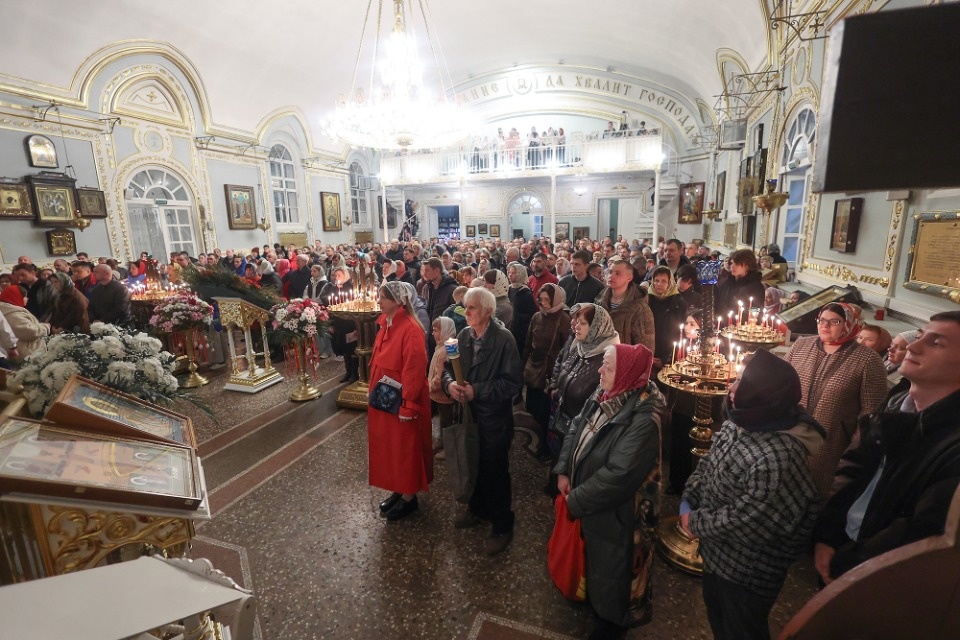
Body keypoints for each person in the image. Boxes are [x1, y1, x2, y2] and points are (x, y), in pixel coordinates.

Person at [680, 349, 823, 640]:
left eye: (742, 383)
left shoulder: (779, 455)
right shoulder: (741, 421)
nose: (731, 389)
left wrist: (694, 522)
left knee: (741, 630)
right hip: (717, 554)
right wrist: (688, 500)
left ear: (764, 393)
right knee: (719, 621)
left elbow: (749, 519)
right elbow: (708, 463)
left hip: (747, 571)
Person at [812, 311, 960, 584]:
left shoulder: (952, 445)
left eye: (937, 342)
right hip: (843, 545)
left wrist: (848, 564)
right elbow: (855, 467)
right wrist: (828, 534)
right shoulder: (897, 402)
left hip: (882, 576)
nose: (914, 347)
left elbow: (921, 529)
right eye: (920, 336)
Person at [553, 342, 664, 638]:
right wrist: (564, 469)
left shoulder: (643, 419)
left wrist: (575, 501)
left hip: (618, 517)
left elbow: (618, 476)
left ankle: (612, 626)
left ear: (626, 373)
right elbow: (577, 425)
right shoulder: (606, 392)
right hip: (591, 503)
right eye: (603, 362)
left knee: (614, 575)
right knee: (596, 565)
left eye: (608, 366)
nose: (600, 370)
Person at [443, 287, 523, 556]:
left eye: (472, 308)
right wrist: (450, 385)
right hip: (469, 416)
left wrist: (476, 391)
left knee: (495, 472)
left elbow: (512, 384)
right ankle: (478, 509)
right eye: (465, 306)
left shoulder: (504, 340)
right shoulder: (464, 335)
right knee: (472, 463)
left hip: (493, 420)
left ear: (488, 311)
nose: (465, 312)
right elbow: (448, 369)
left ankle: (502, 525)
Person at [785, 302, 889, 501]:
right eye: (822, 320)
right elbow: (781, 385)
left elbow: (871, 415)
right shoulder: (801, 346)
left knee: (817, 496)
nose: (825, 325)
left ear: (849, 324)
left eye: (835, 322)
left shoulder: (868, 360)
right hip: (791, 438)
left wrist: (852, 454)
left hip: (831, 446)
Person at [368, 281, 433, 521]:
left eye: (383, 297)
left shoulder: (411, 328)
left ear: (399, 301)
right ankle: (399, 487)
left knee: (405, 449)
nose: (379, 301)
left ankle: (409, 497)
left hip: (402, 401)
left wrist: (409, 405)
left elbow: (413, 371)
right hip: (386, 399)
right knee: (392, 448)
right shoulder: (387, 322)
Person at [545, 303, 619, 492]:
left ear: (597, 328)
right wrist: (557, 388)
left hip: (582, 434)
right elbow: (563, 366)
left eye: (583, 323)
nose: (576, 326)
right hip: (564, 422)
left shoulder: (608, 359)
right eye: (577, 322)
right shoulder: (581, 346)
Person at [522, 283, 570, 458]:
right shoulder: (537, 316)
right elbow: (529, 342)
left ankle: (546, 445)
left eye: (546, 300)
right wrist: (523, 363)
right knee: (533, 407)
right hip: (535, 369)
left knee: (545, 412)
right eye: (540, 299)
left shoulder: (564, 319)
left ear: (555, 300)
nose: (542, 303)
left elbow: (567, 350)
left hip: (550, 373)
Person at [594, 258, 655, 351]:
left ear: (629, 277)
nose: (611, 276)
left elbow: (645, 348)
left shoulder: (639, 308)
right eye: (610, 272)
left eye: (618, 273)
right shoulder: (599, 301)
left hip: (623, 357)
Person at [321, 267, 359, 382]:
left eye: (339, 275)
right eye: (335, 275)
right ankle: (348, 372)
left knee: (352, 348)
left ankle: (355, 373)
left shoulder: (351, 288)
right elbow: (330, 307)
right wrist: (330, 323)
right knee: (344, 349)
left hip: (350, 322)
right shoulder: (333, 289)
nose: (336, 278)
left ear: (345, 276)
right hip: (338, 322)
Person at [646, 266, 687, 371]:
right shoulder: (646, 301)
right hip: (647, 354)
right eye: (656, 280)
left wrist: (666, 360)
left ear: (670, 283)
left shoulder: (679, 304)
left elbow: (680, 334)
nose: (659, 284)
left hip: (668, 355)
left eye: (663, 281)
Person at [428, 316, 457, 459]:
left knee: (447, 421)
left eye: (435, 330)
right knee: (442, 419)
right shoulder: (440, 346)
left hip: (443, 393)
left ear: (445, 330)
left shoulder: (447, 349)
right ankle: (442, 441)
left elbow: (441, 374)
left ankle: (449, 448)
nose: (432, 333)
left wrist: (431, 385)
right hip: (438, 394)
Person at [716, 249, 765, 321]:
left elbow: (756, 310)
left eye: (737, 264)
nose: (732, 266)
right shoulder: (727, 282)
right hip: (722, 323)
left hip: (741, 325)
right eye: (732, 263)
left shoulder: (755, 287)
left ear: (748, 266)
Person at [507, 262, 536, 356]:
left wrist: (516, 316)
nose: (510, 275)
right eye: (509, 272)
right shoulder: (507, 289)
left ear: (520, 274)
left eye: (513, 273)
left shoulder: (526, 293)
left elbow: (531, 315)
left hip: (519, 333)